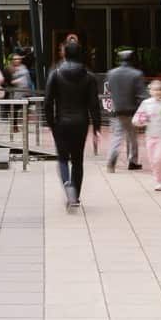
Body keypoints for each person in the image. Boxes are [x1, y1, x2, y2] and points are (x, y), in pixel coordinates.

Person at [44, 39, 101, 210]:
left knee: (62, 158)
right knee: (77, 160)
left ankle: (67, 184)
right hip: (81, 122)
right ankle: (75, 196)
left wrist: (51, 123)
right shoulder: (89, 76)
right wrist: (96, 126)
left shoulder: (55, 74)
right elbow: (94, 104)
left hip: (61, 122)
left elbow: (48, 102)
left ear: (65, 54)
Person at [106, 50, 146, 173]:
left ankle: (111, 159)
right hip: (131, 111)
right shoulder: (136, 74)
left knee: (117, 136)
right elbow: (141, 95)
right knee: (132, 137)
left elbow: (110, 89)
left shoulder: (111, 73)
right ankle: (132, 161)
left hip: (117, 109)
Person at [134, 79, 161, 191]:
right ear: (150, 91)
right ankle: (158, 177)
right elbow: (136, 119)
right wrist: (141, 121)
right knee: (152, 160)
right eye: (154, 90)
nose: (157, 92)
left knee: (158, 159)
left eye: (159, 89)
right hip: (150, 136)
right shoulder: (146, 104)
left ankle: (159, 181)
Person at [7, 53, 32, 134]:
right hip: (15, 93)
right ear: (11, 60)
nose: (17, 60)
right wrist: (14, 82)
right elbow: (7, 81)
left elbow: (28, 79)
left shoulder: (24, 67)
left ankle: (24, 126)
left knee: (25, 110)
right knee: (15, 110)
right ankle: (14, 127)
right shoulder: (9, 69)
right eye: (15, 59)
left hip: (26, 92)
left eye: (19, 59)